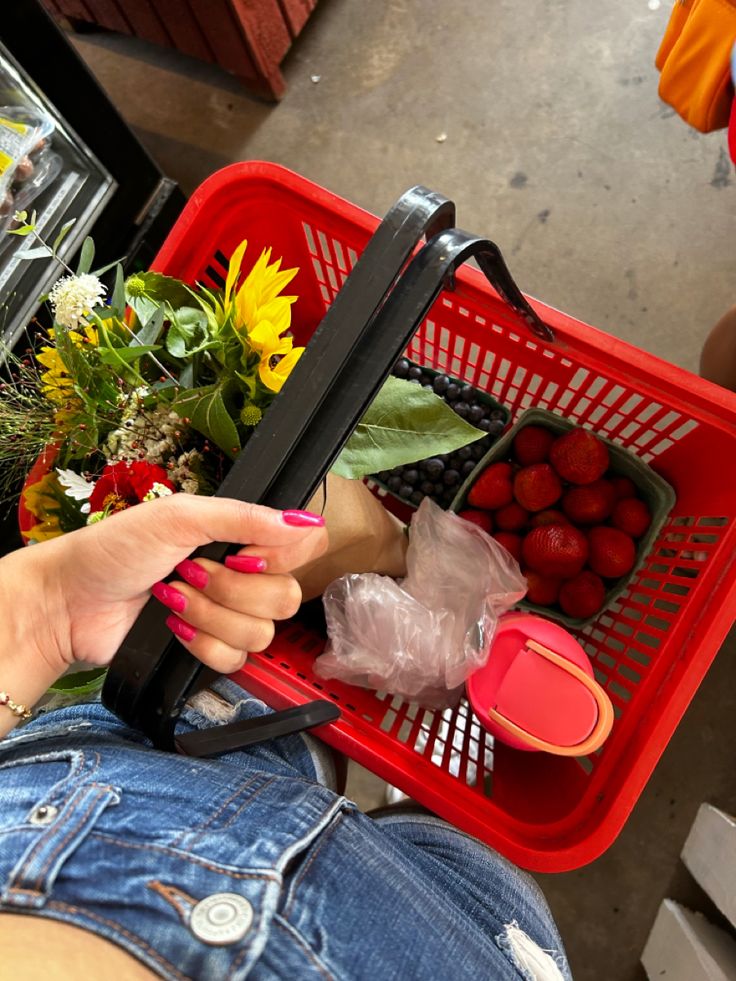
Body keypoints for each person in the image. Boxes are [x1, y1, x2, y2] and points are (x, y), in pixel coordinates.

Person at [0, 492, 570, 980]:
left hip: (121, 766)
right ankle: (405, 814)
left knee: (340, 770)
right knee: (456, 851)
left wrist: (47, 608)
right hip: (456, 925)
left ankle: (394, 809)